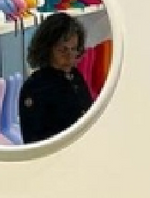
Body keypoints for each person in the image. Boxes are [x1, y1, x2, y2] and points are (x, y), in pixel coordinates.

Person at [17, 11, 93, 144]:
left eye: (74, 49)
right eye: (63, 50)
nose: (70, 56)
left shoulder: (75, 76)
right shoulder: (35, 87)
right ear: (47, 49)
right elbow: (33, 141)